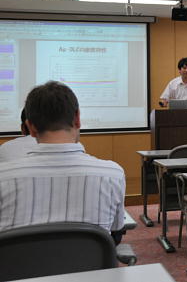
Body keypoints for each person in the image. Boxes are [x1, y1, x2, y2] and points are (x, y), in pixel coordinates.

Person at [0, 81, 126, 243]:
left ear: (30, 127)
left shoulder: (3, 176)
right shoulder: (113, 174)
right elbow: (116, 228)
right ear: (77, 118)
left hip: (20, 260)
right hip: (89, 260)